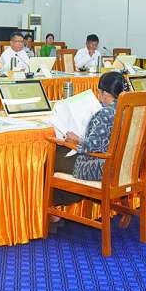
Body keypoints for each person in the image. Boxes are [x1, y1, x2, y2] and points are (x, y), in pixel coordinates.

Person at [51, 71, 126, 207]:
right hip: (124, 166)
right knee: (64, 156)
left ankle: (55, 210)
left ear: (104, 93)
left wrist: (76, 139)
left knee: (53, 159)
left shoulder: (105, 113)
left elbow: (92, 148)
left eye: (99, 92)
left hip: (104, 168)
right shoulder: (130, 108)